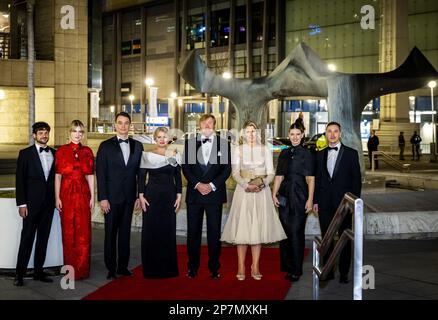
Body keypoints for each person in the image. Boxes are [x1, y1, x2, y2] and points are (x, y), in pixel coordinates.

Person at [221, 121, 286, 281]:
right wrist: (246, 185)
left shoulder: (265, 149)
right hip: (243, 192)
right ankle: (241, 266)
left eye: (253, 131)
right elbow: (235, 173)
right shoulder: (238, 150)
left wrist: (262, 184)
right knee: (242, 230)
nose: (251, 135)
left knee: (257, 230)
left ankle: (255, 266)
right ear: (243, 133)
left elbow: (271, 173)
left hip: (261, 192)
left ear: (258, 133)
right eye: (248, 131)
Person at [182, 114, 231, 280]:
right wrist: (198, 185)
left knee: (214, 233)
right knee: (193, 233)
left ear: (215, 125)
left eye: (210, 123)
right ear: (199, 125)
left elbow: (226, 170)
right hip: (195, 195)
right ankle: (192, 268)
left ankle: (214, 268)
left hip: (214, 195)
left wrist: (211, 186)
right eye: (204, 123)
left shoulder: (224, 145)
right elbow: (186, 168)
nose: (207, 125)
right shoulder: (189, 144)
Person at [96, 112, 143, 280]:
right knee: (110, 233)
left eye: (126, 123)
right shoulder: (105, 146)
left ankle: (123, 266)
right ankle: (111, 268)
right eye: (120, 123)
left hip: (130, 197)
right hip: (111, 198)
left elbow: (141, 173)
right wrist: (103, 198)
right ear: (115, 125)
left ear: (130, 125)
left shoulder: (138, 146)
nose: (123, 126)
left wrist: (140, 195)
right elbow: (100, 174)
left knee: (125, 234)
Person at [313, 122, 361, 284]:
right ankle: (328, 270)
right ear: (325, 134)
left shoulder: (351, 154)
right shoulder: (319, 155)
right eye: (329, 131)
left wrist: (354, 202)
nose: (332, 134)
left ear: (340, 134)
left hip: (344, 204)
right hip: (325, 203)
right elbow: (318, 180)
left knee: (344, 238)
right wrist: (315, 201)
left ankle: (344, 272)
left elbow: (356, 180)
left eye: (335, 131)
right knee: (327, 238)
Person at [14, 122, 56, 286]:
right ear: (34, 135)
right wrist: (22, 204)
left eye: (46, 132)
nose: (44, 135)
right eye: (40, 133)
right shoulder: (25, 154)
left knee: (43, 239)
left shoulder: (55, 153)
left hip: (48, 205)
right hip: (30, 205)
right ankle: (19, 274)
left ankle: (38, 271)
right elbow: (20, 181)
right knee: (27, 239)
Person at [272, 123, 315, 282]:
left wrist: (310, 200)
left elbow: (310, 179)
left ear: (303, 135)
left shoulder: (308, 154)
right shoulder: (284, 153)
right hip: (283, 196)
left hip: (300, 196)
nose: (295, 137)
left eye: (298, 134)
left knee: (296, 232)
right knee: (284, 233)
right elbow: (278, 176)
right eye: (292, 134)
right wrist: (273, 194)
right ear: (288, 135)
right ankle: (287, 266)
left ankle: (296, 270)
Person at [138, 127, 182, 278]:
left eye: (165, 137)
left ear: (169, 139)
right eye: (159, 137)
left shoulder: (174, 155)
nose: (162, 139)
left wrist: (179, 195)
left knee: (167, 231)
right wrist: (141, 196)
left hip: (169, 196)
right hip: (152, 197)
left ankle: (168, 269)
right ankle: (151, 269)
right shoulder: (148, 155)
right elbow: (141, 177)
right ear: (154, 139)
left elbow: (177, 176)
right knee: (151, 231)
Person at [55, 120, 94, 280]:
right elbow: (57, 177)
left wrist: (93, 196)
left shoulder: (87, 152)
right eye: (75, 131)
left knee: (84, 232)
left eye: (80, 132)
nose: (77, 134)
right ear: (69, 132)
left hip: (83, 194)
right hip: (66, 194)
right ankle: (70, 269)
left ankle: (82, 270)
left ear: (83, 134)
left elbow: (90, 176)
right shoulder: (61, 151)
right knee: (68, 233)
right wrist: (56, 197)